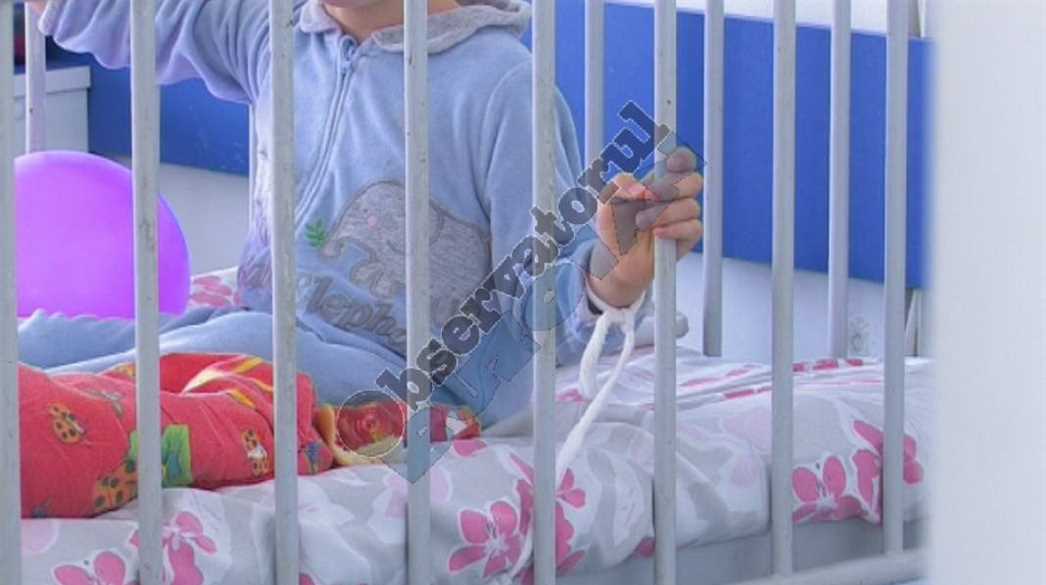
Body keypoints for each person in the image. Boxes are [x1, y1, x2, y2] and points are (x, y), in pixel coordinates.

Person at [21, 0, 703, 429]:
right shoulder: (279, 29)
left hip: (413, 388)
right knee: (44, 340)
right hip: (266, 332)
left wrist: (610, 277)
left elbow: (542, 298)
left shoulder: (501, 87)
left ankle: (48, 416)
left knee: (235, 345)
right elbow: (140, 17)